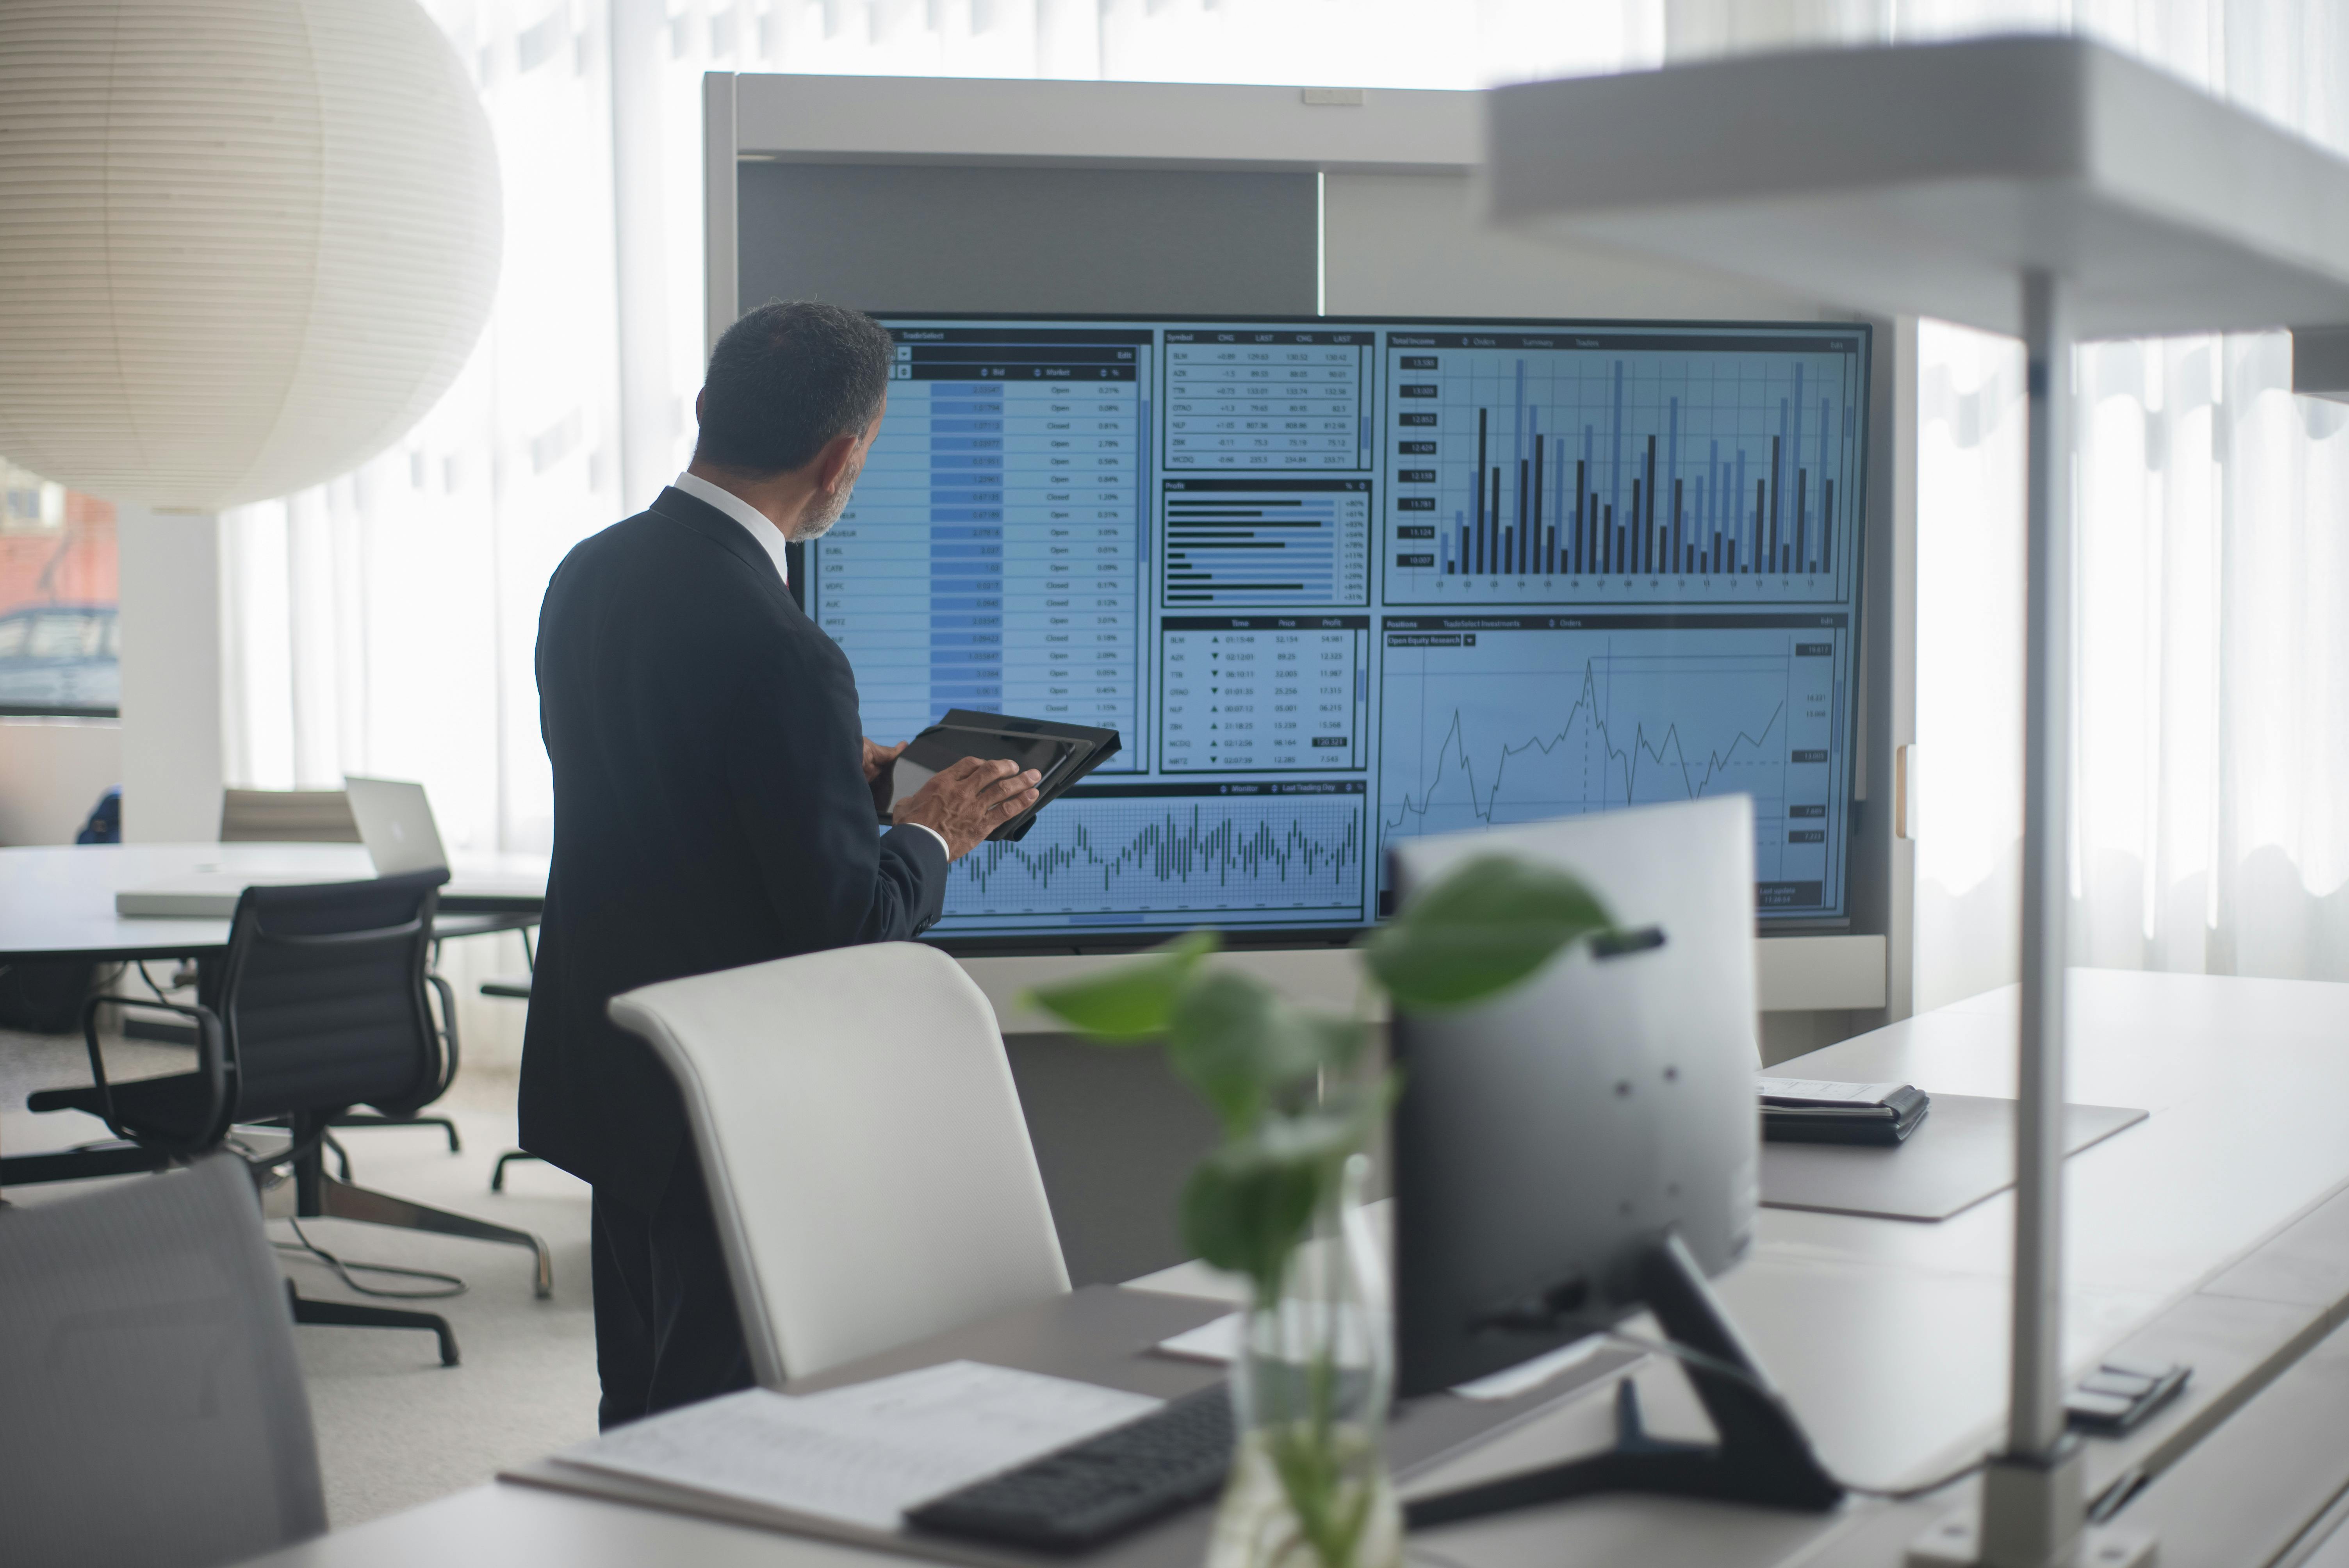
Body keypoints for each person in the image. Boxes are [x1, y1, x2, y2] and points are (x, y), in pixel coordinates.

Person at [522, 300, 1040, 1427]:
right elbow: (846, 932)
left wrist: (830, 783)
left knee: (640, 1403)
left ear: (708, 410)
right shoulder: (785, 649)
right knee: (722, 1429)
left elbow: (654, 796)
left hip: (613, 1061)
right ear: (843, 457)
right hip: (723, 1095)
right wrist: (931, 830)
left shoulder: (589, 573)